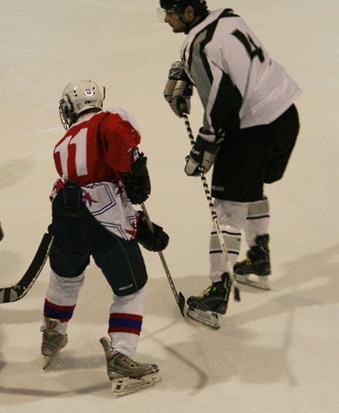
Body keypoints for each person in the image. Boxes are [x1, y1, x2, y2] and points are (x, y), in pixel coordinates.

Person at [159, 0, 301, 326]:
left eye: (169, 11)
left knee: (226, 208)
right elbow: (229, 61)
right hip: (285, 115)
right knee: (251, 188)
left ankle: (216, 294)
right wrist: (188, 69)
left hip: (252, 128)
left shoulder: (196, 44)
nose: (165, 19)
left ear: (189, 12)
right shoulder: (228, 17)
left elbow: (222, 107)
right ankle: (258, 259)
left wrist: (202, 150)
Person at [40, 80, 169, 395]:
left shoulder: (62, 142)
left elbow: (87, 187)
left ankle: (52, 333)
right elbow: (108, 190)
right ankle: (122, 355)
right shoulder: (111, 119)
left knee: (65, 277)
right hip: (103, 219)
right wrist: (135, 173)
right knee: (132, 288)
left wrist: (137, 224)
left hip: (66, 214)